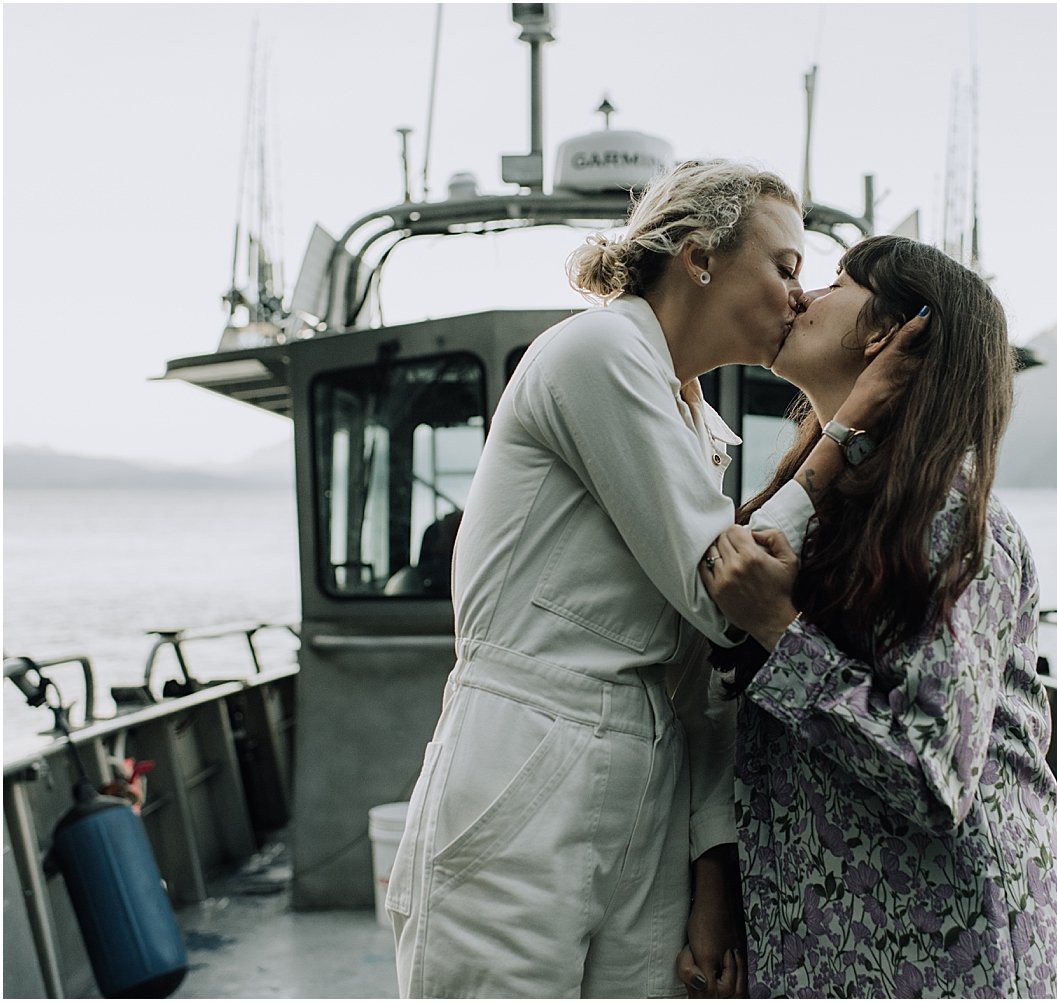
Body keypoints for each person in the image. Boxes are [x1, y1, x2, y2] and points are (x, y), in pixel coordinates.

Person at [384, 162, 922, 998]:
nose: (799, 296)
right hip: (532, 741)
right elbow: (724, 594)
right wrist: (847, 427)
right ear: (701, 255)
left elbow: (704, 673)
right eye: (785, 266)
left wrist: (712, 875)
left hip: (647, 770)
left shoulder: (694, 421)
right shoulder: (597, 350)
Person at [693, 235, 1057, 998]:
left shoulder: (948, 515)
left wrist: (779, 630)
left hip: (944, 951)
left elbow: (932, 770)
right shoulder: (831, 502)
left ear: (887, 329)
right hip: (841, 943)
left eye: (837, 279)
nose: (802, 294)